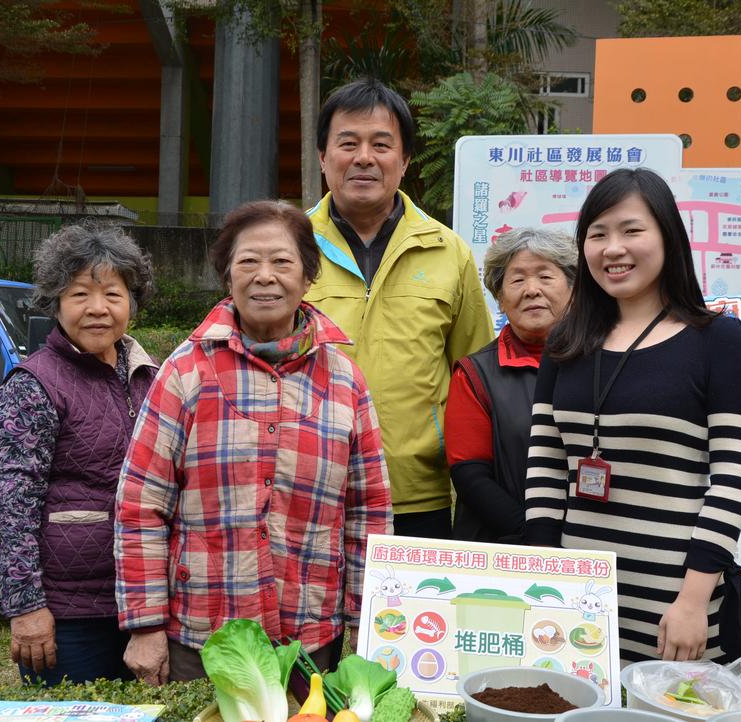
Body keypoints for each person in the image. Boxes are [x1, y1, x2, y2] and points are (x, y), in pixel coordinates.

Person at [115, 200, 392, 685]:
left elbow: (368, 512)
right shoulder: (184, 372)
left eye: (282, 262)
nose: (265, 276)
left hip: (310, 638)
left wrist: (364, 624)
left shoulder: (345, 381)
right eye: (248, 261)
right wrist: (145, 625)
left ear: (308, 277)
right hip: (204, 636)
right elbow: (141, 503)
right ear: (227, 276)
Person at [523, 168, 741, 665]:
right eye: (598, 234)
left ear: (668, 237)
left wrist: (694, 602)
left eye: (632, 230)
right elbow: (546, 469)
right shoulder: (565, 345)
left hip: (674, 606)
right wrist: (545, 582)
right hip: (579, 606)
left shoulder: (719, 341)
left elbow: (733, 479)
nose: (613, 248)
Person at [306, 77, 493, 539]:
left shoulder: (448, 252)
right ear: (323, 158)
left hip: (419, 493)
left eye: (381, 144)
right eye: (348, 143)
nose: (364, 157)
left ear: (404, 160)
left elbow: (478, 374)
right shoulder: (288, 250)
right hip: (307, 489)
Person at [0, 224, 158, 686]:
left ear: (131, 304)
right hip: (68, 614)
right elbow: (10, 503)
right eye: (80, 293)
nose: (98, 308)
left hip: (144, 605)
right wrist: (26, 608)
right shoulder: (34, 384)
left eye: (113, 294)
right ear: (56, 302)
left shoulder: (150, 376)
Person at [445, 227, 577, 544]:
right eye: (517, 280)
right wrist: (536, 537)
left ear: (575, 290)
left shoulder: (604, 362)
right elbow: (471, 476)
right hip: (503, 548)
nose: (531, 290)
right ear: (500, 300)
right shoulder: (475, 373)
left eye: (545, 277)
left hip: (593, 546)